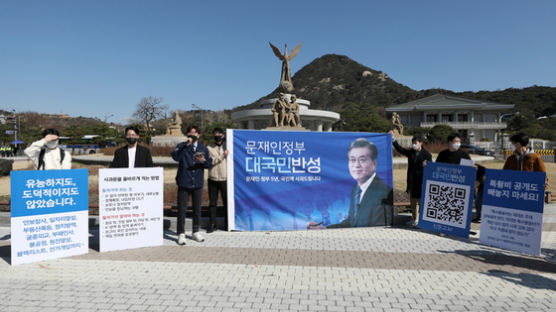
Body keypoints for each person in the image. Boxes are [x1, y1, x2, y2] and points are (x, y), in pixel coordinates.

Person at [324, 138, 393, 228]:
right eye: (352, 160)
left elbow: (380, 226)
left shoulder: (383, 192)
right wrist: (325, 228)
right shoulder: (356, 190)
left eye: (362, 159)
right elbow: (352, 222)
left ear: (374, 164)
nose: (356, 165)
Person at [171, 125, 212, 245]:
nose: (192, 136)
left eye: (194, 134)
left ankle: (195, 231)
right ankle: (181, 233)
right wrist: (185, 145)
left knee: (197, 209)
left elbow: (209, 164)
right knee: (182, 209)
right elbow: (175, 157)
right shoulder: (182, 146)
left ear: (198, 135)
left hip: (197, 182)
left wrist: (203, 161)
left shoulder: (203, 148)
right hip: (184, 181)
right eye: (189, 134)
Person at [392, 134, 432, 227]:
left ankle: (419, 219)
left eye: (415, 143)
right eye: (413, 143)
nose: (414, 144)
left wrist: (427, 165)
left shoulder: (427, 155)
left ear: (421, 143)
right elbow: (400, 149)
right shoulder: (411, 152)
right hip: (412, 181)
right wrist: (393, 140)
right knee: (413, 201)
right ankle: (414, 218)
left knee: (420, 201)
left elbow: (431, 169)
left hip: (421, 181)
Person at [206, 128, 228, 233]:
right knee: (212, 203)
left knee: (226, 202)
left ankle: (227, 223)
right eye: (215, 134)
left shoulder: (228, 146)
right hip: (213, 178)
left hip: (225, 178)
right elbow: (210, 162)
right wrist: (222, 156)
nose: (217, 135)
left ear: (223, 135)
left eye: (219, 134)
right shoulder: (209, 147)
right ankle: (212, 224)